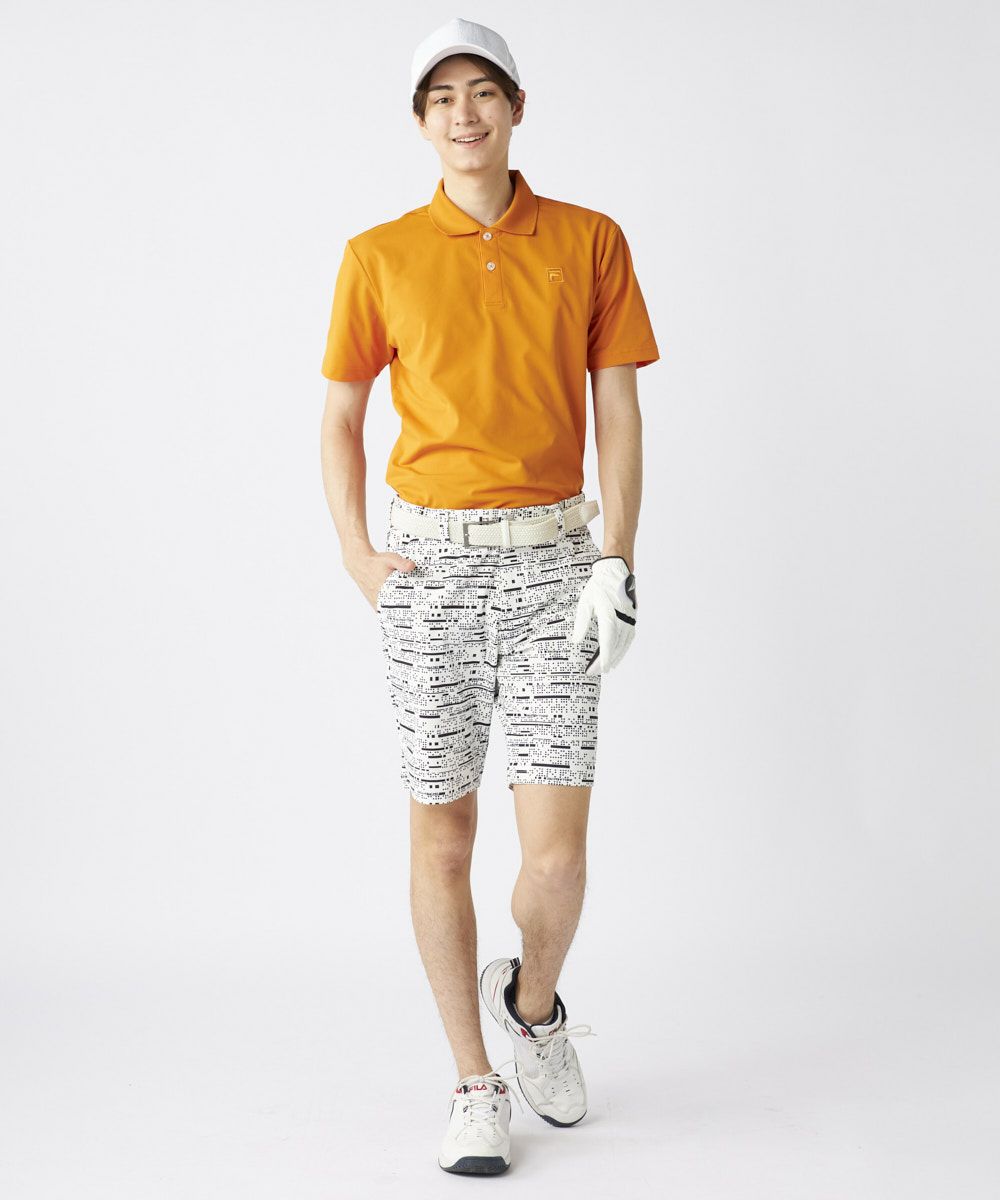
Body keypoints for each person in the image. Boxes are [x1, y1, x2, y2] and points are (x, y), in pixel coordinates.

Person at [319, 17, 660, 1176]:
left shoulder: (589, 240)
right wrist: (358, 555)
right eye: (441, 98)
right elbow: (340, 414)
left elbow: (617, 407)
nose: (463, 114)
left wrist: (618, 556)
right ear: (420, 121)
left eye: (482, 92)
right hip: (430, 572)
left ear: (516, 107)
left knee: (555, 860)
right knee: (442, 832)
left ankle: (533, 1007)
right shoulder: (377, 255)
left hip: (556, 563)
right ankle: (474, 1082)